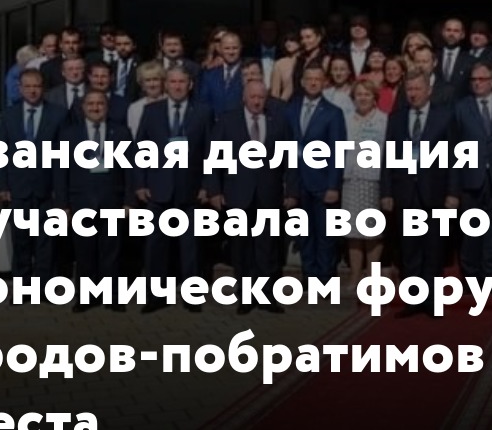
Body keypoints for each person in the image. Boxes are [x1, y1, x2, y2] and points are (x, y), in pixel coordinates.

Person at [204, 80, 297, 315]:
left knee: (267, 248)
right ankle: (245, 296)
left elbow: (291, 159)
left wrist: (291, 191)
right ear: (244, 98)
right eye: (253, 97)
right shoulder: (228, 120)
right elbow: (213, 159)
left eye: (261, 98)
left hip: (269, 194)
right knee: (241, 248)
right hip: (237, 194)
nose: (257, 102)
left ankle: (266, 295)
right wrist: (214, 191)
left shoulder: (278, 120)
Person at [133, 66, 215, 314]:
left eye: (182, 82)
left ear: (190, 85)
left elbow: (211, 152)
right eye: (173, 82)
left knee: (190, 247)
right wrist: (140, 183)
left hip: (190, 190)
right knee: (155, 246)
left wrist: (207, 185)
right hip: (158, 189)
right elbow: (141, 150)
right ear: (166, 85)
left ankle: (192, 296)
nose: (177, 86)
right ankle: (156, 296)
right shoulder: (152, 111)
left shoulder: (203, 111)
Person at [381, 71, 455, 317]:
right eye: (409, 89)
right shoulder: (397, 118)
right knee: (410, 248)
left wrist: (452, 193)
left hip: (434, 192)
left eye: (417, 89)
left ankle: (432, 300)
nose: (413, 94)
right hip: (405, 192)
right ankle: (413, 300)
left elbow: (455, 159)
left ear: (429, 90)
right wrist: (387, 191)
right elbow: (388, 157)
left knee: (433, 248)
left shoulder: (444, 117)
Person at [56, 90, 135, 312]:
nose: (95, 108)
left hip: (112, 199)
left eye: (100, 103)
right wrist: (63, 205)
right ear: (83, 108)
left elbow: (130, 169)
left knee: (112, 251)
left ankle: (112, 296)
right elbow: (60, 172)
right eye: (90, 104)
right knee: (84, 252)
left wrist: (129, 201)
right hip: (80, 201)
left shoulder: (121, 132)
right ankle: (86, 296)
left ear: (107, 107)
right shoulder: (69, 134)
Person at [0, 69, 67, 281]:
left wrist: (60, 192)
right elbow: (0, 153)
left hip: (47, 190)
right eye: (28, 86)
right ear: (20, 89)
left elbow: (64, 156)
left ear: (43, 88)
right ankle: (23, 287)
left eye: (36, 86)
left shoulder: (58, 114)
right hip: (18, 190)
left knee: (46, 243)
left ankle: (43, 286)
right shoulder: (9, 115)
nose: (33, 91)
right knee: (21, 242)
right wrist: (1, 186)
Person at [449, 61, 492, 281]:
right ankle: (470, 275)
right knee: (471, 230)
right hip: (470, 179)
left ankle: (489, 274)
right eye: (474, 80)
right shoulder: (461, 107)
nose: (477, 83)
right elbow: (453, 150)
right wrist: (454, 188)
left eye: (482, 79)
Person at [288, 66, 347, 284]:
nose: (313, 83)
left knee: (324, 234)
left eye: (318, 79)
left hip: (322, 182)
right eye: (309, 79)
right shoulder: (291, 109)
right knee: (304, 233)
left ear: (324, 83)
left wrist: (333, 186)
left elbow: (338, 152)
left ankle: (324, 277)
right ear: (302, 82)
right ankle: (308, 274)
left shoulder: (333, 112)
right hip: (298, 182)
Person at [341, 80, 388, 288]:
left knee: (372, 232)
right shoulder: (346, 119)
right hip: (350, 180)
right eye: (359, 94)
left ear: (374, 98)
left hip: (373, 181)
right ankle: (355, 274)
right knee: (353, 232)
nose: (363, 98)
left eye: (367, 94)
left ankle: (372, 275)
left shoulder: (383, 120)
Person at [198, 31, 244, 116]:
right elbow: (203, 103)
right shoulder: (210, 75)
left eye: (235, 48)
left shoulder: (248, 72)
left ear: (241, 48)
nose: (231, 52)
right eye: (227, 48)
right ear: (220, 49)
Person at [126, 61, 165, 137]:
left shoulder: (171, 103)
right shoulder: (134, 108)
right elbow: (135, 134)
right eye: (148, 80)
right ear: (142, 84)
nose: (152, 84)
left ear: (162, 82)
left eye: (155, 79)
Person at [269, 33, 302, 102]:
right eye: (286, 41)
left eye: (292, 40)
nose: (288, 43)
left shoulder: (307, 60)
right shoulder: (279, 64)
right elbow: (275, 91)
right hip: (286, 103)